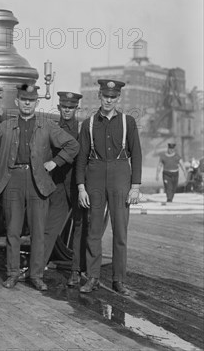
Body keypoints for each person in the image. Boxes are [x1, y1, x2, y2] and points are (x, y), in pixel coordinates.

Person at [0, 84, 79, 292]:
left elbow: (72, 145)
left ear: (37, 103)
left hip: (37, 181)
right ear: (17, 102)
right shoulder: (5, 126)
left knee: (38, 232)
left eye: (31, 101)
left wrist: (54, 163)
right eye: (23, 100)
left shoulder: (47, 125)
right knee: (13, 230)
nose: (27, 104)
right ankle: (12, 273)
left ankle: (36, 275)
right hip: (12, 179)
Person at [76, 79, 142, 296]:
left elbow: (138, 155)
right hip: (94, 176)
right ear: (99, 96)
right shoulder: (88, 124)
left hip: (121, 176)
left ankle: (118, 280)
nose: (109, 100)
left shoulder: (128, 122)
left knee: (120, 231)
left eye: (113, 97)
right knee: (93, 230)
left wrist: (135, 186)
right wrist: (81, 187)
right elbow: (81, 159)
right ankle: (93, 277)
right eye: (105, 96)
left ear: (118, 98)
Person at [41, 91, 87, 287]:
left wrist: (83, 184)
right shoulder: (52, 127)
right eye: (64, 107)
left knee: (80, 227)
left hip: (77, 184)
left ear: (76, 109)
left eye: (71, 107)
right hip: (58, 184)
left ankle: (76, 271)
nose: (67, 110)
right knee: (50, 227)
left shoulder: (83, 129)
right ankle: (37, 267)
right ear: (59, 108)